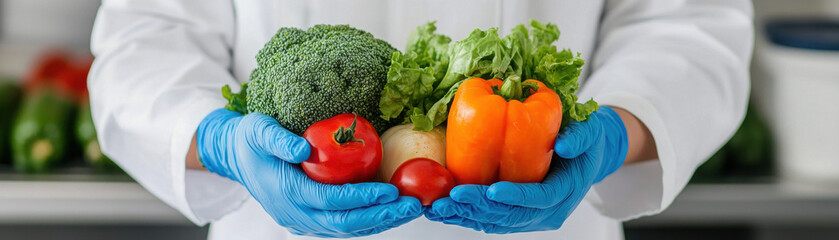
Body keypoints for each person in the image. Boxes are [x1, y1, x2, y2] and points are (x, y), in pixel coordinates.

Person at [88, 0, 753, 239]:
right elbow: (145, 38)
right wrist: (219, 140)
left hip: (546, 217)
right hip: (277, 227)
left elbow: (687, 27)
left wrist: (618, 131)